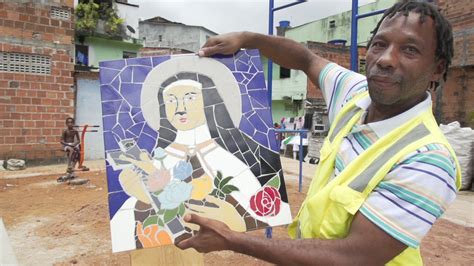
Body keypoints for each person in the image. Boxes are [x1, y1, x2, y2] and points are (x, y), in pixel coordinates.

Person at [175, 1, 462, 265]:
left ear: (437, 69)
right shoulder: (354, 93)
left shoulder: (428, 159)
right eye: (379, 44)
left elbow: (355, 257)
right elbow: (305, 58)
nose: (386, 59)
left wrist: (233, 239)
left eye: (410, 50)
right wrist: (249, 39)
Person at [108, 56, 291, 252]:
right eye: (171, 100)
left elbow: (268, 212)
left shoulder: (232, 160)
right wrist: (141, 196)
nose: (180, 109)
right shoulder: (158, 159)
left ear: (209, 102)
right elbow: (132, 220)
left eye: (190, 97)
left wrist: (236, 222)